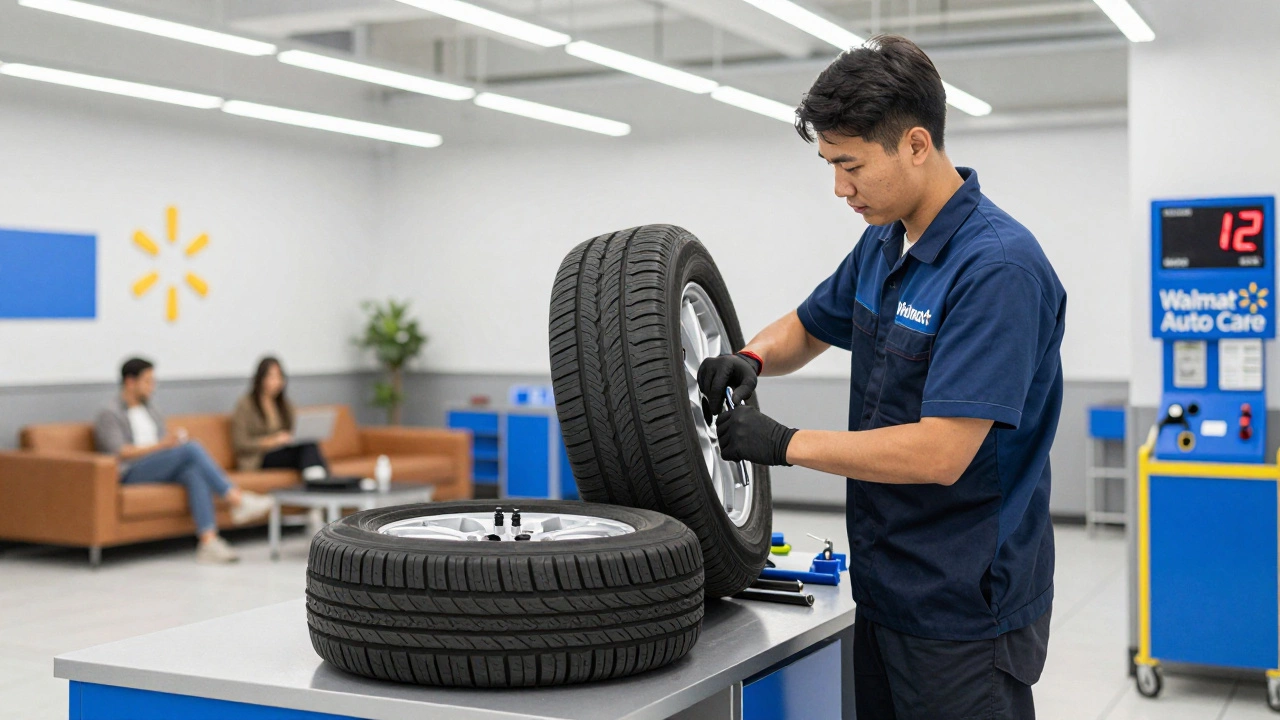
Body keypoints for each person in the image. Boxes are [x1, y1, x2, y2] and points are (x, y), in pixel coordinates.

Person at [699, 36, 1065, 719]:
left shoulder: (997, 270)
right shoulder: (884, 242)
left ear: (916, 145)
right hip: (885, 586)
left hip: (963, 610)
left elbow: (940, 453)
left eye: (851, 165)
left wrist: (782, 443)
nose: (840, 188)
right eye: (830, 165)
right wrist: (751, 357)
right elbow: (811, 324)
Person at [95, 358, 274, 564]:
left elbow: (161, 439)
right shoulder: (109, 412)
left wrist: (171, 443)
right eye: (147, 381)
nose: (152, 386)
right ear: (130, 382)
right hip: (131, 471)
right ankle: (236, 499)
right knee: (191, 448)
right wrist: (161, 446)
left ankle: (208, 541)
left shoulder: (151, 409)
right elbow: (119, 451)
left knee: (193, 472)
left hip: (157, 464)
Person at [231, 357, 328, 480]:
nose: (276, 381)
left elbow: (295, 428)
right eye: (271, 376)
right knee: (306, 451)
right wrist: (272, 441)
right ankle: (321, 482)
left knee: (309, 445)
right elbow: (240, 443)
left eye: (279, 377)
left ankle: (320, 481)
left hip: (282, 451)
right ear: (260, 378)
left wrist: (294, 436)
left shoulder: (284, 404)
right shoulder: (245, 404)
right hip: (259, 457)